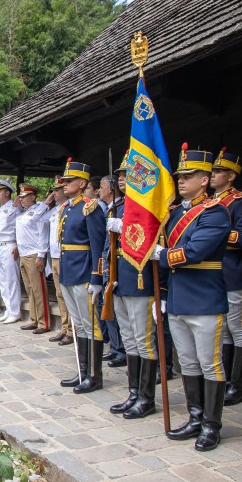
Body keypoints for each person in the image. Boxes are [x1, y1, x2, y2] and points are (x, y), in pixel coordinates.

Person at [154, 145, 231, 452]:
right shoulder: (173, 214)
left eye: (190, 176)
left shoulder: (215, 212)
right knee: (187, 362)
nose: (182, 181)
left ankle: (212, 425)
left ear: (205, 179)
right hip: (179, 298)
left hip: (204, 298)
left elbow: (197, 251)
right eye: (180, 176)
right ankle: (195, 417)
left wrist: (162, 256)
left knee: (210, 364)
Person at [105, 155, 161, 419]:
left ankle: (146, 398)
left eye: (129, 174)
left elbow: (149, 237)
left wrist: (124, 226)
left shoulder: (149, 206)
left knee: (143, 340)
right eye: (121, 176)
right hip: (120, 280)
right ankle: (134, 392)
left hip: (140, 281)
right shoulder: (120, 206)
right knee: (129, 340)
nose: (123, 179)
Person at [57, 161, 106, 394]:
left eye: (69, 181)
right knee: (79, 325)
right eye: (64, 180)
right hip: (68, 271)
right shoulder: (67, 208)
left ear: (82, 183)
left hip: (84, 271)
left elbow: (98, 246)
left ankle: (95, 375)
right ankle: (82, 369)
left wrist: (97, 277)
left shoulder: (91, 208)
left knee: (91, 325)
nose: (64, 184)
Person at [211, 148, 242, 405]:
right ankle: (226, 378)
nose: (213, 175)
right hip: (213, 273)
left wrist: (213, 235)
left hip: (232, 271)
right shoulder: (208, 202)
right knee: (224, 331)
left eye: (218, 172)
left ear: (231, 176)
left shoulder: (240, 201)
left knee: (237, 329)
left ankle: (237, 385)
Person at [98, 173, 127, 368]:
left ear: (110, 189)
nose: (99, 190)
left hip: (121, 264)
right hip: (108, 263)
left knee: (118, 311)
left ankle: (121, 349)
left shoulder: (122, 207)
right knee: (109, 307)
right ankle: (116, 347)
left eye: (101, 187)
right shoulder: (112, 209)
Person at [14, 184, 51, 333]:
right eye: (21, 197)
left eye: (24, 197)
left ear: (33, 197)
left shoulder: (39, 210)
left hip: (34, 253)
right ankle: (34, 319)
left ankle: (43, 322)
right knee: (29, 289)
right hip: (23, 254)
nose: (21, 200)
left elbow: (42, 233)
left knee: (38, 289)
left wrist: (41, 255)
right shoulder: (23, 213)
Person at [43, 179, 73, 345]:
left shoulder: (71, 207)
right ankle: (64, 327)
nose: (55, 193)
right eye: (53, 190)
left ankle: (71, 330)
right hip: (54, 256)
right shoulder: (54, 209)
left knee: (68, 294)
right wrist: (46, 202)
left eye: (57, 190)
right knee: (60, 294)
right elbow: (38, 219)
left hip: (65, 255)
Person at [0, 179, 21, 324]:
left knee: (11, 280)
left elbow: (20, 227)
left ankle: (15, 311)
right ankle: (8, 309)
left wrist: (18, 245)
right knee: (3, 281)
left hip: (9, 245)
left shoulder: (15, 208)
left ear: (7, 193)